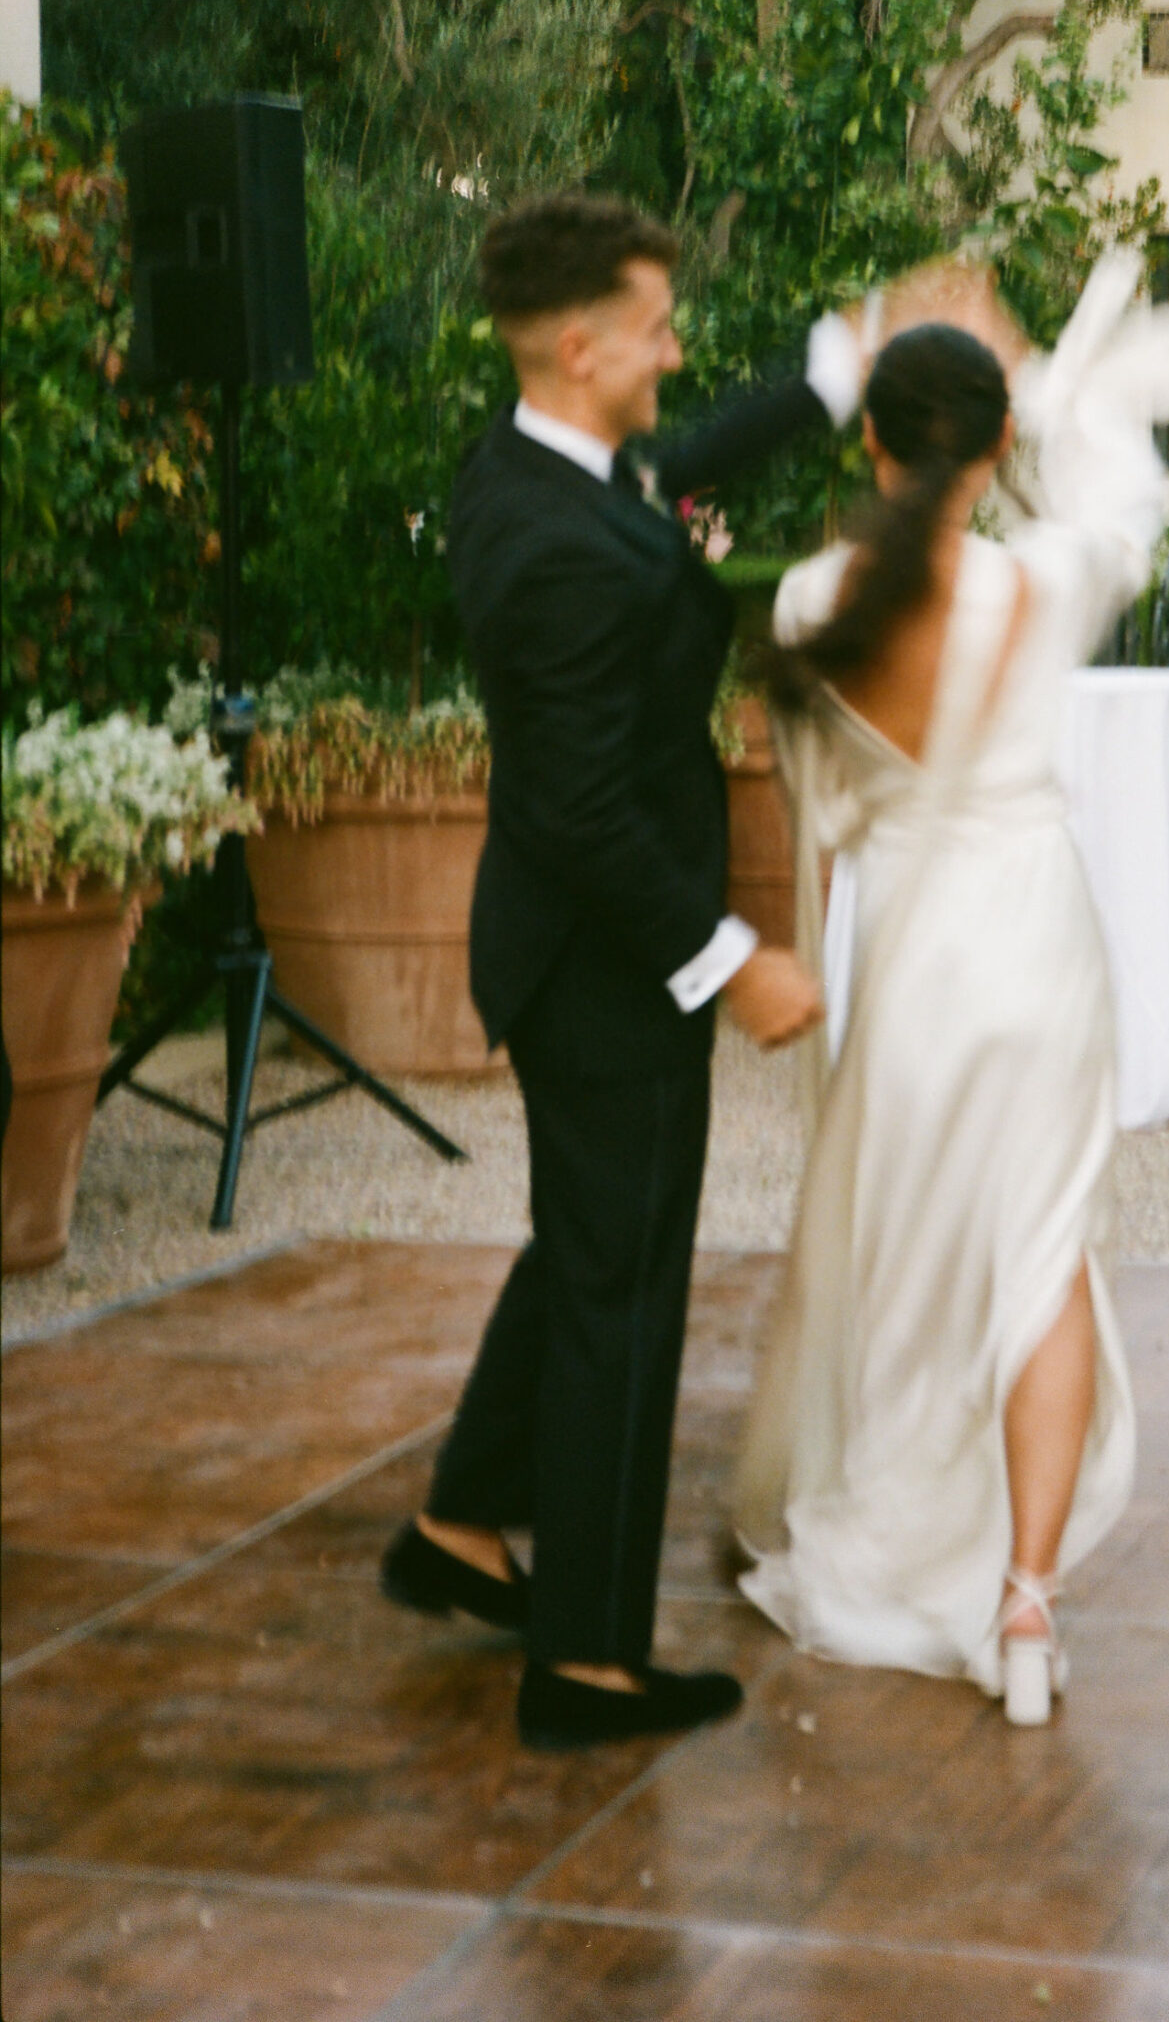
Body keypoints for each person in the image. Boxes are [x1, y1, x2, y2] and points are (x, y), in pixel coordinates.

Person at [733, 247, 1169, 1725]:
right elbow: (1125, 497)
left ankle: (907, 1544)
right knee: (1045, 1262)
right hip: (1038, 937)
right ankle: (1023, 1608)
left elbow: (825, 816)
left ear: (871, 445)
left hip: (910, 949)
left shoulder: (813, 600)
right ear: (996, 450)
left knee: (913, 1257)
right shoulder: (1048, 578)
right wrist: (1035, 373)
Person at [380, 192, 851, 1751]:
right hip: (602, 971)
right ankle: (584, 1664)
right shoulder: (545, 540)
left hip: (585, 954)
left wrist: (843, 370)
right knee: (623, 1292)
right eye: (654, 322)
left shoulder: (558, 467)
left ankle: (459, 1528)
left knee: (582, 1247)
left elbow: (685, 454)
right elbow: (578, 809)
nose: (675, 344)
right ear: (580, 345)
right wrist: (731, 965)